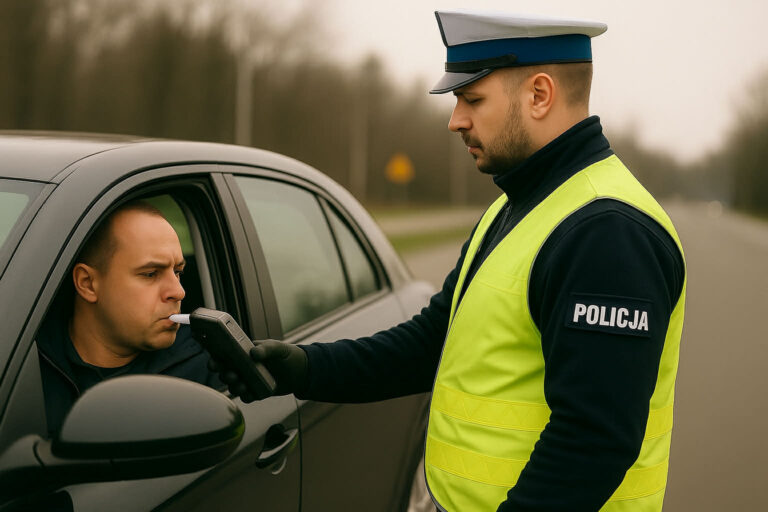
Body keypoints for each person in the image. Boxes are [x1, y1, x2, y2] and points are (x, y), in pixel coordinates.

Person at [215, 10, 685, 512]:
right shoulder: (519, 207)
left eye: (471, 98)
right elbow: (430, 344)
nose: (455, 119)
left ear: (540, 94)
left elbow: (592, 443)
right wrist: (304, 369)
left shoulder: (607, 233)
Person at [38, 201, 221, 435]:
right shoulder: (21, 362)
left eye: (178, 272)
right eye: (150, 274)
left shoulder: (207, 366)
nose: (179, 291)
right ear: (87, 284)